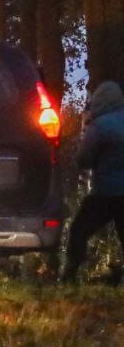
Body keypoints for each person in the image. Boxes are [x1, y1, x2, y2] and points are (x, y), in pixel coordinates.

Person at [61, 81, 124, 283]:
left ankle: (70, 275)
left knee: (79, 230)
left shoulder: (99, 126)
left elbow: (84, 159)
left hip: (105, 193)